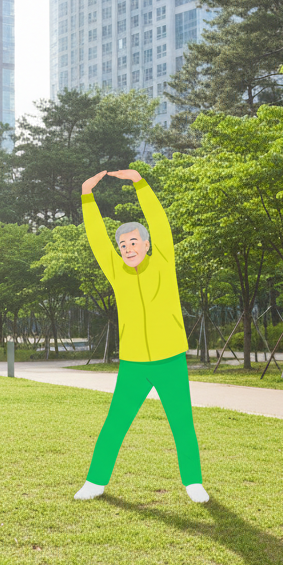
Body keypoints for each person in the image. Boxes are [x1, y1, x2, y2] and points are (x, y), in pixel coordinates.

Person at [73, 169, 208, 504]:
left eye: (134, 242)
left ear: (147, 245)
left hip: (170, 357)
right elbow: (95, 239)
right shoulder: (117, 271)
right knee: (115, 422)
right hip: (133, 361)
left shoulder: (163, 262)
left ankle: (193, 482)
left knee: (181, 422)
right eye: (122, 244)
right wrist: (87, 198)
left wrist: (140, 184)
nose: (128, 248)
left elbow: (159, 222)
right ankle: (95, 481)